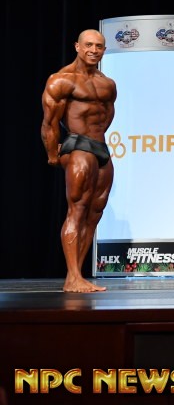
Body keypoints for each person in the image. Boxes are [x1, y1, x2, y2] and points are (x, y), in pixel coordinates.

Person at [41, 29, 117, 293]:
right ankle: (72, 277)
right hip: (78, 144)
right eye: (88, 45)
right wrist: (53, 154)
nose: (93, 50)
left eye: (99, 46)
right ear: (77, 46)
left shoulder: (108, 83)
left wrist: (98, 139)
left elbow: (107, 116)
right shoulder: (61, 80)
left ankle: (77, 276)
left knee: (95, 212)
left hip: (100, 147)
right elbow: (49, 123)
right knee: (78, 209)